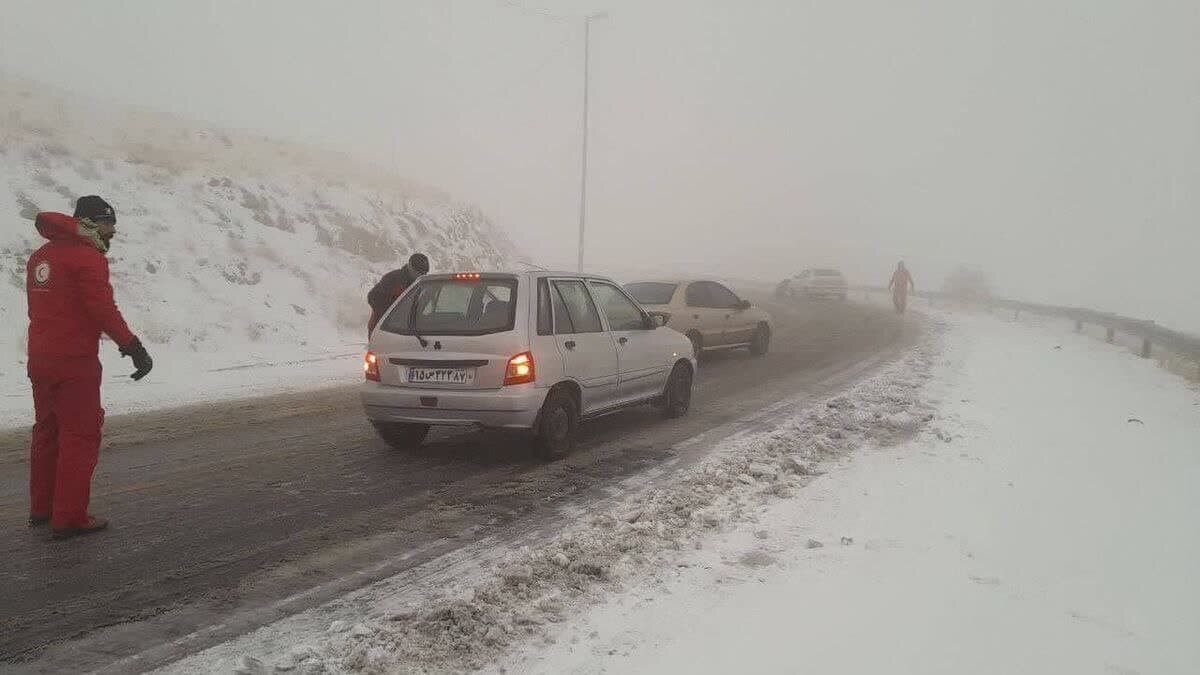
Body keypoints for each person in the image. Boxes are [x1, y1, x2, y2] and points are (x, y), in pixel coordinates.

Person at [26, 196, 153, 539]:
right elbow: (102, 309)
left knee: (47, 431)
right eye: (110, 224)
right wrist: (132, 346)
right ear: (95, 223)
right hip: (74, 363)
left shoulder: (41, 257)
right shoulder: (86, 258)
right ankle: (69, 517)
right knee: (79, 435)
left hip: (40, 361)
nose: (113, 232)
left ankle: (43, 507)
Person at [366, 252, 430, 335]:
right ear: (410, 266)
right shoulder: (393, 278)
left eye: (423, 274)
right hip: (380, 328)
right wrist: (390, 316)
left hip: (403, 329)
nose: (420, 276)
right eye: (418, 273)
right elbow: (372, 296)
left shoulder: (420, 283)